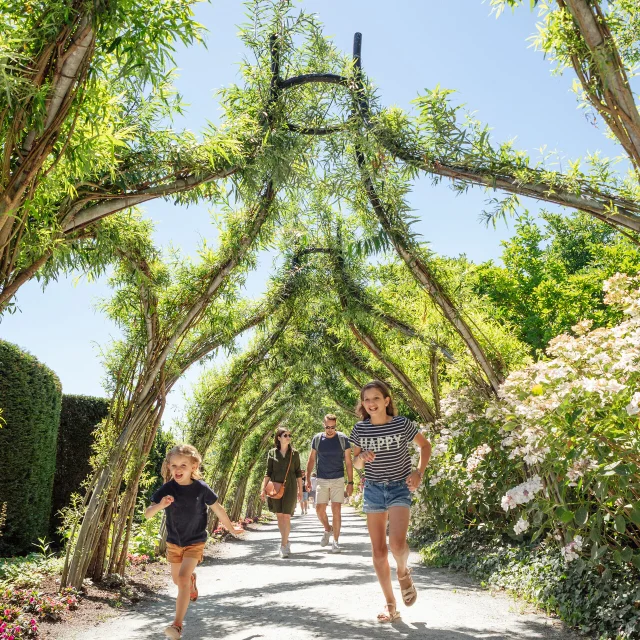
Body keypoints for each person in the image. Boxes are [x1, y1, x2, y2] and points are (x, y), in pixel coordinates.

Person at [351, 381, 431, 624]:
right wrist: (361, 457)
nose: (371, 403)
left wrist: (419, 472)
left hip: (399, 487)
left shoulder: (402, 424)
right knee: (378, 552)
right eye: (366, 399)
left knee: (397, 546)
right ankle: (390, 604)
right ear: (363, 404)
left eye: (376, 398)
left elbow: (425, 446)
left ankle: (403, 571)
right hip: (373, 489)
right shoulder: (359, 430)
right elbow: (355, 464)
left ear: (386, 401)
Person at [145, 444, 244, 640]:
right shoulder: (167, 489)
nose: (178, 469)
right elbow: (148, 514)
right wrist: (161, 504)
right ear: (169, 467)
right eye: (173, 466)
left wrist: (231, 528)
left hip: (195, 542)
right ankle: (191, 580)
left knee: (180, 579)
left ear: (194, 466)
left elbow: (218, 509)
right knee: (178, 580)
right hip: (174, 542)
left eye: (183, 465)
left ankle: (177, 625)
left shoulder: (201, 488)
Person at [306, 413, 354, 553]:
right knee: (319, 510)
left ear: (335, 426)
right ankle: (328, 529)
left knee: (336, 510)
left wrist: (350, 482)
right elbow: (311, 459)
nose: (330, 430)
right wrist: (308, 478)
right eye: (328, 427)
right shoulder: (317, 439)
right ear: (324, 425)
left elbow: (349, 462)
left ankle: (336, 541)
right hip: (322, 478)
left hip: (338, 478)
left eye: (333, 427)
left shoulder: (343, 439)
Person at [260, 427, 303, 558]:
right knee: (279, 516)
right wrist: (263, 489)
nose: (288, 437)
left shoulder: (294, 454)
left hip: (290, 487)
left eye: (289, 435)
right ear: (279, 438)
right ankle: (286, 540)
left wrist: (301, 490)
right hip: (275, 487)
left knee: (286, 516)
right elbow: (268, 472)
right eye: (285, 435)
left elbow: (298, 473)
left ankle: (283, 546)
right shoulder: (272, 453)